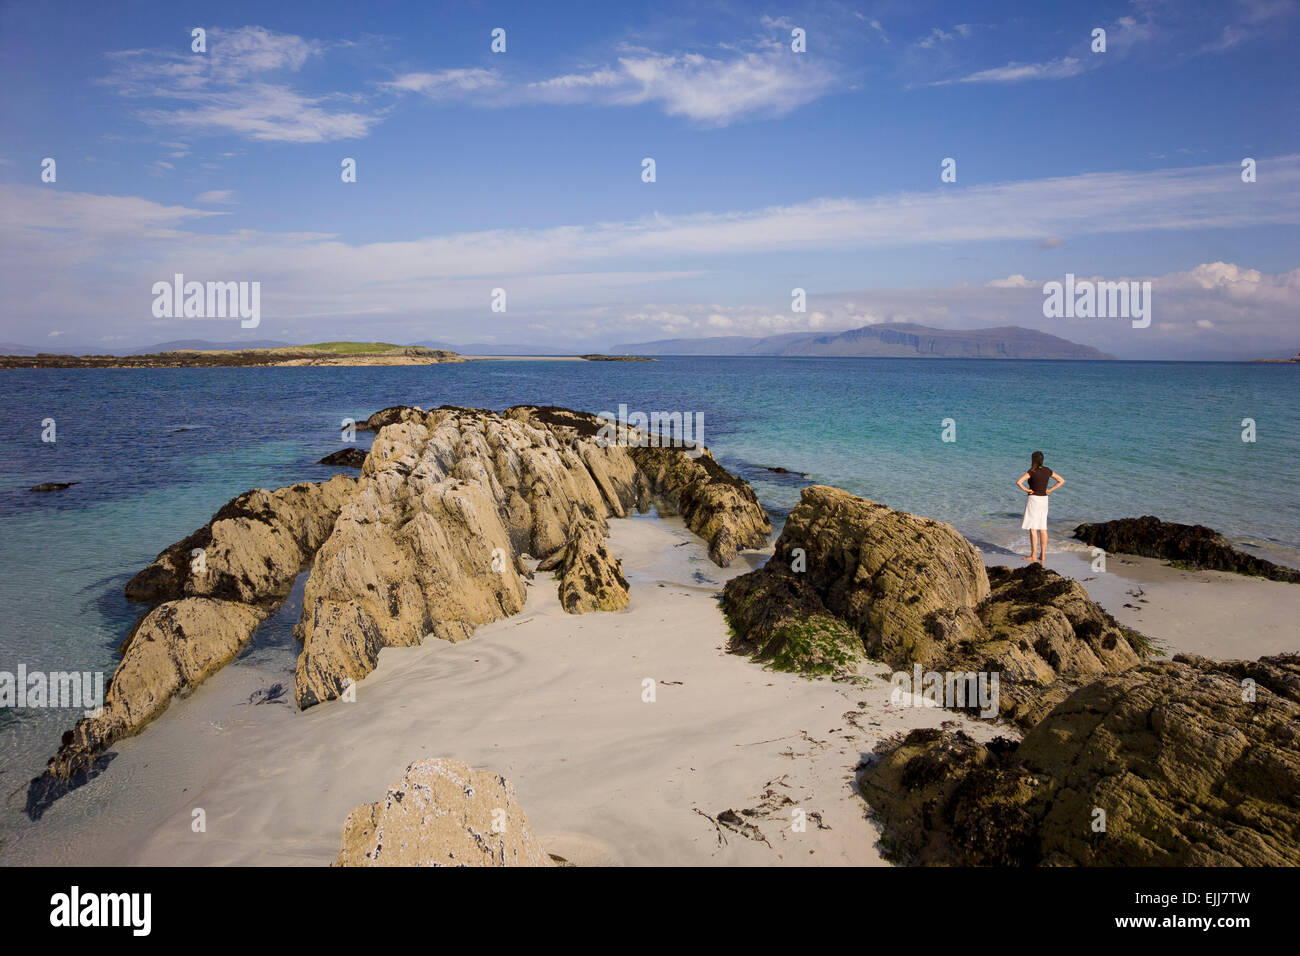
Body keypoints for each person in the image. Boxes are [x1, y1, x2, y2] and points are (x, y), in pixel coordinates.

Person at [1016, 451, 1064, 564]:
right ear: (1042, 460)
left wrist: (1027, 490)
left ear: (1033, 460)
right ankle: (1042, 555)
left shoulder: (1031, 471)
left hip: (1033, 500)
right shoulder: (1048, 470)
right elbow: (1061, 480)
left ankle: (1033, 555)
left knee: (1033, 528)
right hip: (1044, 500)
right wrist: (1050, 490)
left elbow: (1019, 482)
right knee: (1043, 527)